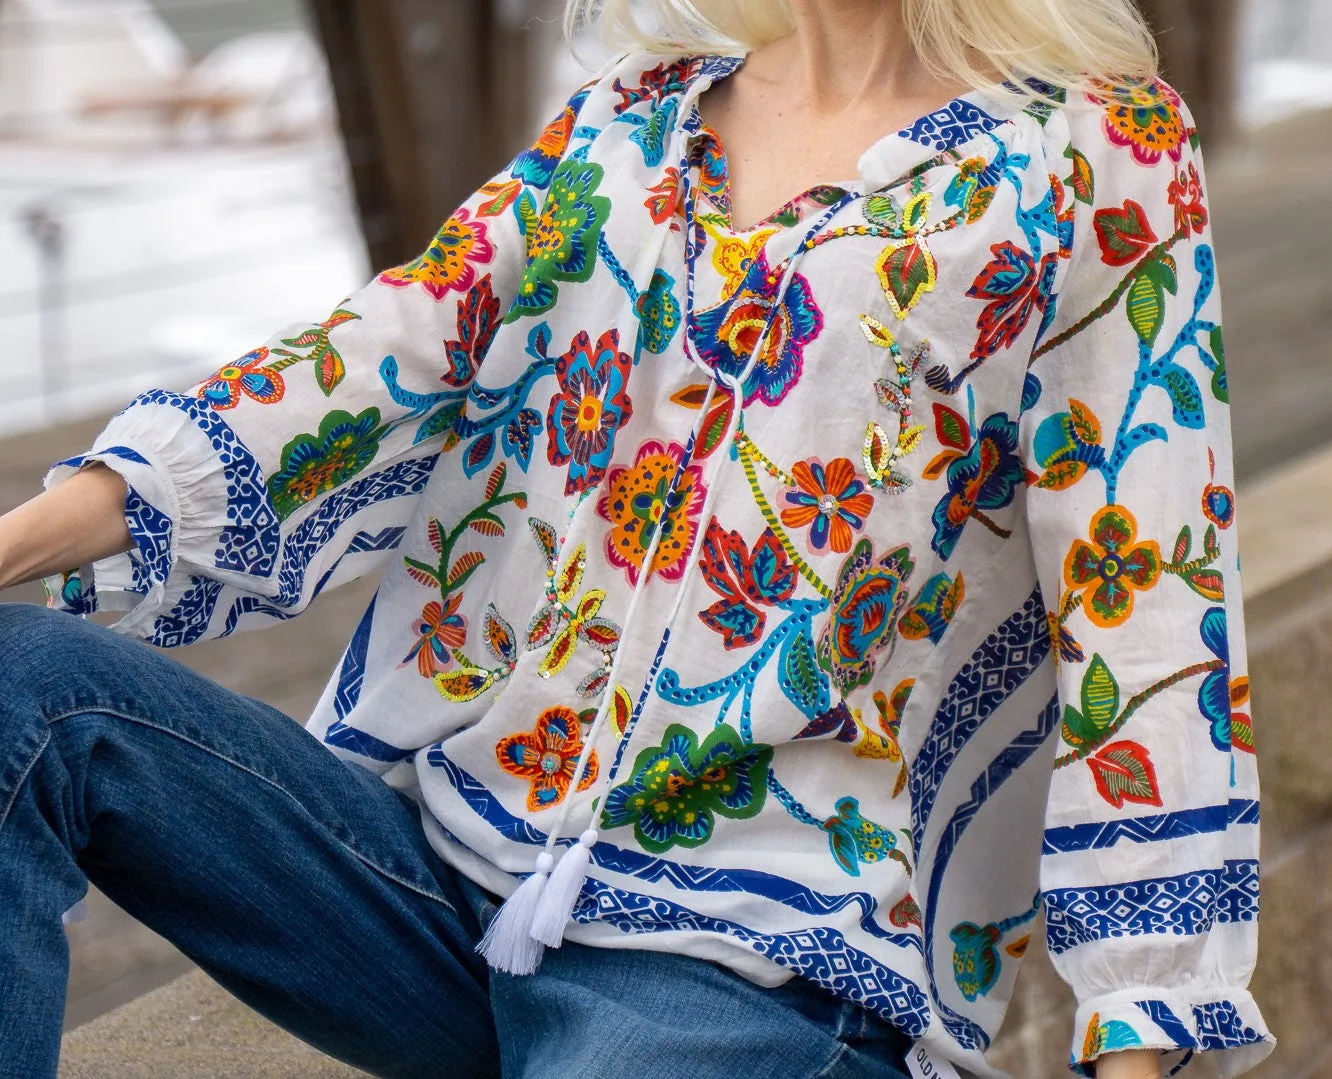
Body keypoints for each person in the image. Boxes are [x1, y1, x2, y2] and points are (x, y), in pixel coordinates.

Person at [0, 1, 1272, 1077]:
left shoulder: (1096, 144)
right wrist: (21, 536)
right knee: (19, 693)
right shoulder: (632, 115)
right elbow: (373, 365)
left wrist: (1140, 1010)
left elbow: (1148, 584)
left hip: (760, 957)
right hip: (452, 872)